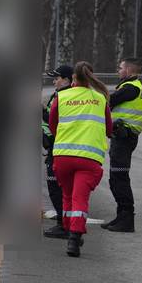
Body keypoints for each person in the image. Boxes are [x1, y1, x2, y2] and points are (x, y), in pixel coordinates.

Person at [47, 61, 113, 257]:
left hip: (63, 156)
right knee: (80, 199)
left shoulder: (62, 96)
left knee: (67, 196)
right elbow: (109, 129)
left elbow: (52, 125)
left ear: (73, 78)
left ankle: (68, 231)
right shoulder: (100, 98)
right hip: (89, 158)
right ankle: (74, 238)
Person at [100, 57, 142, 233]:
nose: (118, 71)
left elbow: (108, 101)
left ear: (128, 70)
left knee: (119, 179)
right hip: (122, 137)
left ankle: (127, 219)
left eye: (120, 68)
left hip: (124, 138)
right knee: (116, 179)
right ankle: (121, 217)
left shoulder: (131, 88)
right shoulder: (131, 87)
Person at [41, 65, 73, 239]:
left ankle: (63, 223)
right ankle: (65, 222)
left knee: (56, 185)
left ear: (67, 79)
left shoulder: (65, 96)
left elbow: (55, 118)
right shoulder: (59, 94)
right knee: (60, 187)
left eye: (57, 78)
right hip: (55, 146)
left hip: (59, 147)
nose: (54, 81)